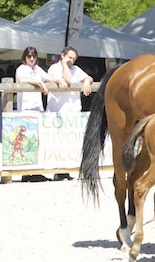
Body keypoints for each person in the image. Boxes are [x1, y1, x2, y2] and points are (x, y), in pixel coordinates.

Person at [15, 46, 65, 183]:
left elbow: (48, 77)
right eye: (29, 56)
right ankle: (26, 173)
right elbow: (21, 80)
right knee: (27, 141)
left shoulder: (37, 69)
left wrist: (58, 80)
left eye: (34, 56)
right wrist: (39, 83)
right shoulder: (21, 69)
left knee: (37, 141)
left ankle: (36, 171)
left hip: (38, 108)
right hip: (26, 108)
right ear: (25, 57)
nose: (31, 58)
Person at [47, 46, 94, 181]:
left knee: (71, 141)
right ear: (62, 55)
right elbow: (67, 80)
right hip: (58, 111)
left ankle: (67, 169)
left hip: (72, 110)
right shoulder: (54, 68)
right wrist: (63, 64)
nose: (71, 61)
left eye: (73, 59)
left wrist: (85, 81)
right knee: (57, 141)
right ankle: (58, 170)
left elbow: (89, 77)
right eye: (69, 57)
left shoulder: (75, 69)